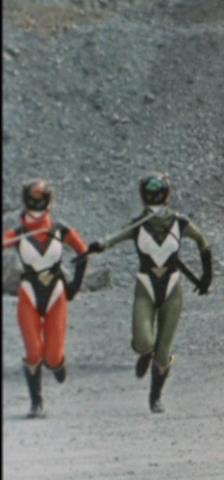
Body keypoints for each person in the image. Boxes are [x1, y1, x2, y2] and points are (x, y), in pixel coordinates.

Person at [85, 172, 212, 413]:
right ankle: (145, 352)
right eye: (151, 193)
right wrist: (98, 245)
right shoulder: (139, 225)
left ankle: (155, 396)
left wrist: (207, 276)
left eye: (158, 192)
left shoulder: (179, 222)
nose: (155, 197)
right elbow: (113, 238)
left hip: (172, 287)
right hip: (146, 285)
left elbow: (202, 241)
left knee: (163, 352)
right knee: (143, 341)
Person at [2, 180, 89, 418]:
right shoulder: (19, 233)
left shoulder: (59, 229)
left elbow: (82, 252)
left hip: (55, 292)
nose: (37, 204)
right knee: (33, 351)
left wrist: (74, 285)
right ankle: (36, 402)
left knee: (52, 356)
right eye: (33, 200)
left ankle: (57, 363)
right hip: (29, 291)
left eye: (41, 200)